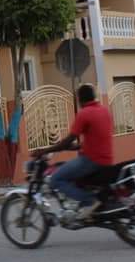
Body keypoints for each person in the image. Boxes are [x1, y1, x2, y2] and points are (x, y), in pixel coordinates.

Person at [35, 84, 114, 220]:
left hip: (91, 160)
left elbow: (67, 140)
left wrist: (44, 151)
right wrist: (78, 147)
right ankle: (81, 203)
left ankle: (89, 201)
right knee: (68, 170)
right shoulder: (104, 110)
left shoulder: (84, 114)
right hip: (106, 159)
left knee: (56, 178)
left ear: (80, 99)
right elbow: (97, 136)